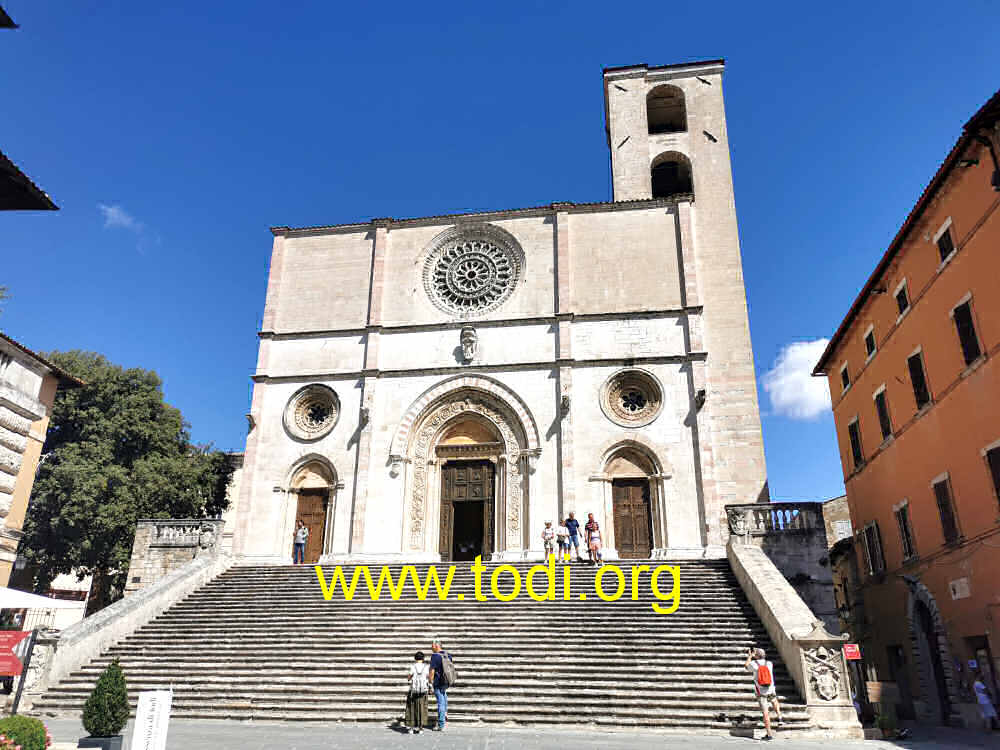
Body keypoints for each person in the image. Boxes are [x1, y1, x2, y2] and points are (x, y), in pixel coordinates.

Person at [745, 647, 783, 740]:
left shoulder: (754, 664)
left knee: (765, 713)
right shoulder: (770, 663)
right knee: (774, 701)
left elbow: (746, 666)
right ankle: (780, 717)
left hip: (761, 692)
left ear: (756, 655)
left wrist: (750, 656)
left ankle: (769, 734)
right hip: (771, 689)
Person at [428, 638, 453, 731]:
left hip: (438, 682)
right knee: (444, 696)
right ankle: (445, 713)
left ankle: (441, 724)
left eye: (432, 645)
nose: (431, 647)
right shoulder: (448, 655)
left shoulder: (434, 656)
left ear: (436, 646)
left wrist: (430, 682)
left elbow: (432, 671)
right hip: (446, 681)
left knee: (440, 702)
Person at [404, 651, 429, 734]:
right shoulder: (426, 667)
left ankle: (411, 727)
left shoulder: (413, 666)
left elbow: (409, 677)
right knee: (422, 708)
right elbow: (428, 677)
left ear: (415, 658)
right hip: (423, 690)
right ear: (423, 658)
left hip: (413, 690)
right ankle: (420, 728)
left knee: (411, 708)